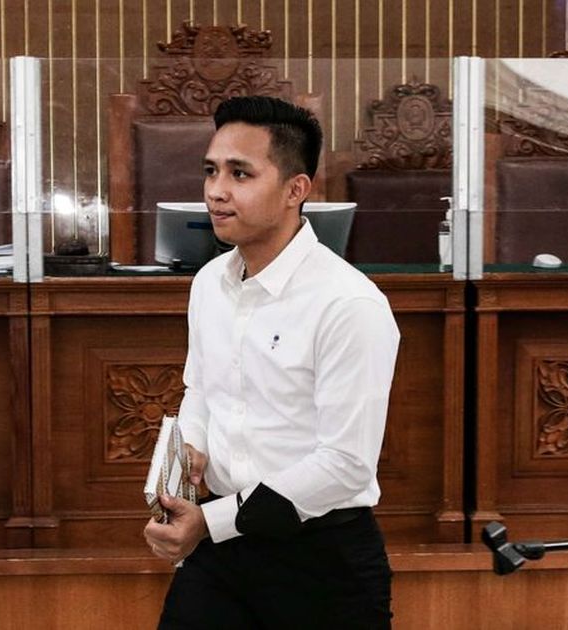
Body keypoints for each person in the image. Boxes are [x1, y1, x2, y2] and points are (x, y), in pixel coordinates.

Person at [143, 95, 400, 629]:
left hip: (323, 562)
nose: (216, 190)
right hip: (221, 554)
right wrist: (192, 446)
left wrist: (209, 522)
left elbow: (345, 463)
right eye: (211, 171)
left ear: (295, 189)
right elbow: (201, 389)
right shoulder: (208, 283)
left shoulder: (348, 303)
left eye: (240, 173)